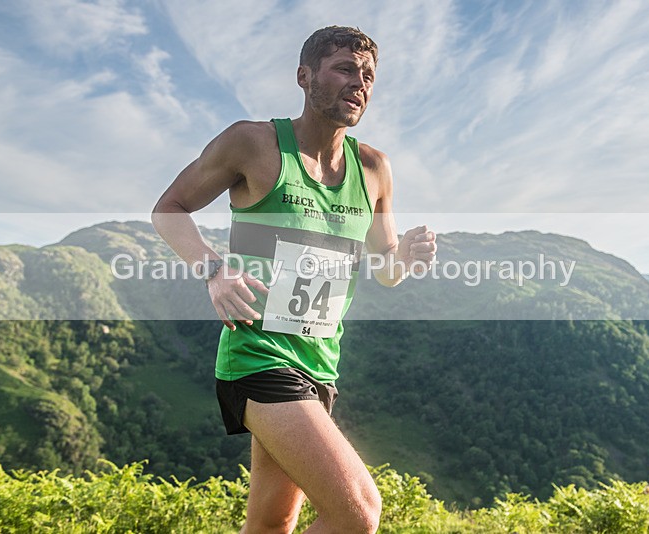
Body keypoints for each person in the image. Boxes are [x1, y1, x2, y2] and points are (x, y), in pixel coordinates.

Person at [152, 26, 436, 534]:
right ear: (305, 77)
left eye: (368, 76)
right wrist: (212, 268)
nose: (360, 84)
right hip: (257, 357)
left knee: (271, 526)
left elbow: (386, 270)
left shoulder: (373, 168)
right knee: (358, 513)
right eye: (345, 69)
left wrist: (406, 259)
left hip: (321, 366)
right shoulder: (253, 143)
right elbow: (168, 208)